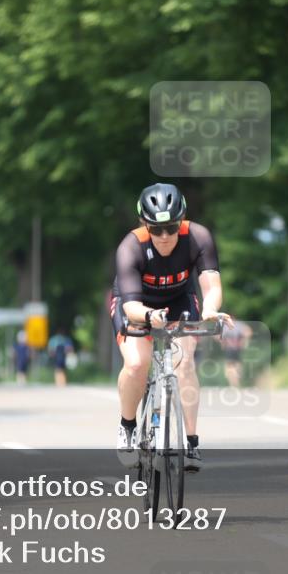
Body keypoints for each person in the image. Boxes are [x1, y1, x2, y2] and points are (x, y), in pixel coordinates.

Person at [109, 183, 232, 472]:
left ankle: (191, 442)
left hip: (179, 300)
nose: (165, 237)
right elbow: (130, 307)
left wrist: (211, 310)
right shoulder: (131, 246)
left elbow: (211, 286)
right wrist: (150, 317)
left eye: (172, 228)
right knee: (137, 363)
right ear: (144, 225)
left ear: (182, 220)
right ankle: (127, 427)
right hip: (137, 304)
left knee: (185, 362)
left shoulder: (199, 237)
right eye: (156, 229)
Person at [220, 320, 253, 389]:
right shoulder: (239, 325)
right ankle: (236, 382)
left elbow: (220, 337)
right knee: (237, 365)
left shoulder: (226, 326)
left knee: (229, 367)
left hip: (229, 348)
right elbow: (248, 332)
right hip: (237, 348)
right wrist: (244, 342)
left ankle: (233, 383)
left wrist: (222, 344)